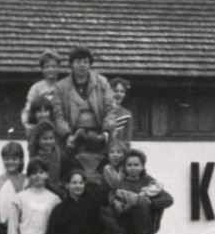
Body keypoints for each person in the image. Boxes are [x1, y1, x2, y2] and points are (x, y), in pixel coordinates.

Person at [103, 147, 173, 234]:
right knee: (104, 210)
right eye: (129, 165)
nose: (132, 168)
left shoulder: (149, 182)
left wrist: (150, 202)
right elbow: (115, 205)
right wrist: (118, 204)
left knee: (141, 200)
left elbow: (168, 200)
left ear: (142, 166)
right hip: (126, 222)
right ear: (125, 167)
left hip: (144, 225)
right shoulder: (120, 184)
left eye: (136, 165)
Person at [58, 46, 115, 183]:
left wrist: (107, 131)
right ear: (71, 64)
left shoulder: (102, 83)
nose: (82, 65)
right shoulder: (61, 86)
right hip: (73, 135)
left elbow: (110, 110)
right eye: (78, 62)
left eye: (85, 61)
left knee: (109, 164)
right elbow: (58, 115)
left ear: (90, 64)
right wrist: (67, 135)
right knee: (66, 166)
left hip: (99, 134)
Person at [21, 51, 68, 189]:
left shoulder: (63, 86)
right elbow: (27, 108)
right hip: (38, 130)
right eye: (47, 66)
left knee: (56, 159)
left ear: (58, 67)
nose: (51, 69)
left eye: (54, 66)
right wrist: (26, 124)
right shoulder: (37, 88)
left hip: (55, 129)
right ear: (42, 69)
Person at [104, 78, 134, 147]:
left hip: (118, 153)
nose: (119, 94)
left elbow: (127, 141)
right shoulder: (101, 111)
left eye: (122, 91)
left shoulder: (126, 114)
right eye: (115, 91)